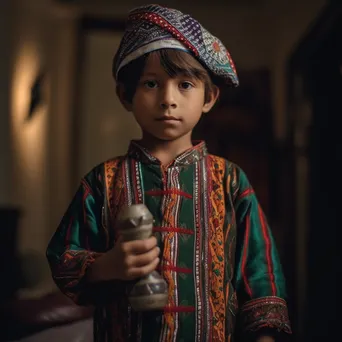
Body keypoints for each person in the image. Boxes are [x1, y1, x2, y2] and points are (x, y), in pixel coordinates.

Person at [46, 4, 292, 342]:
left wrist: (264, 336)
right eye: (150, 83)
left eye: (186, 85)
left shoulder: (230, 180)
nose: (168, 99)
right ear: (125, 95)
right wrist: (107, 266)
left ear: (210, 97)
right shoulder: (103, 181)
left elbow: (260, 271)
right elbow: (63, 258)